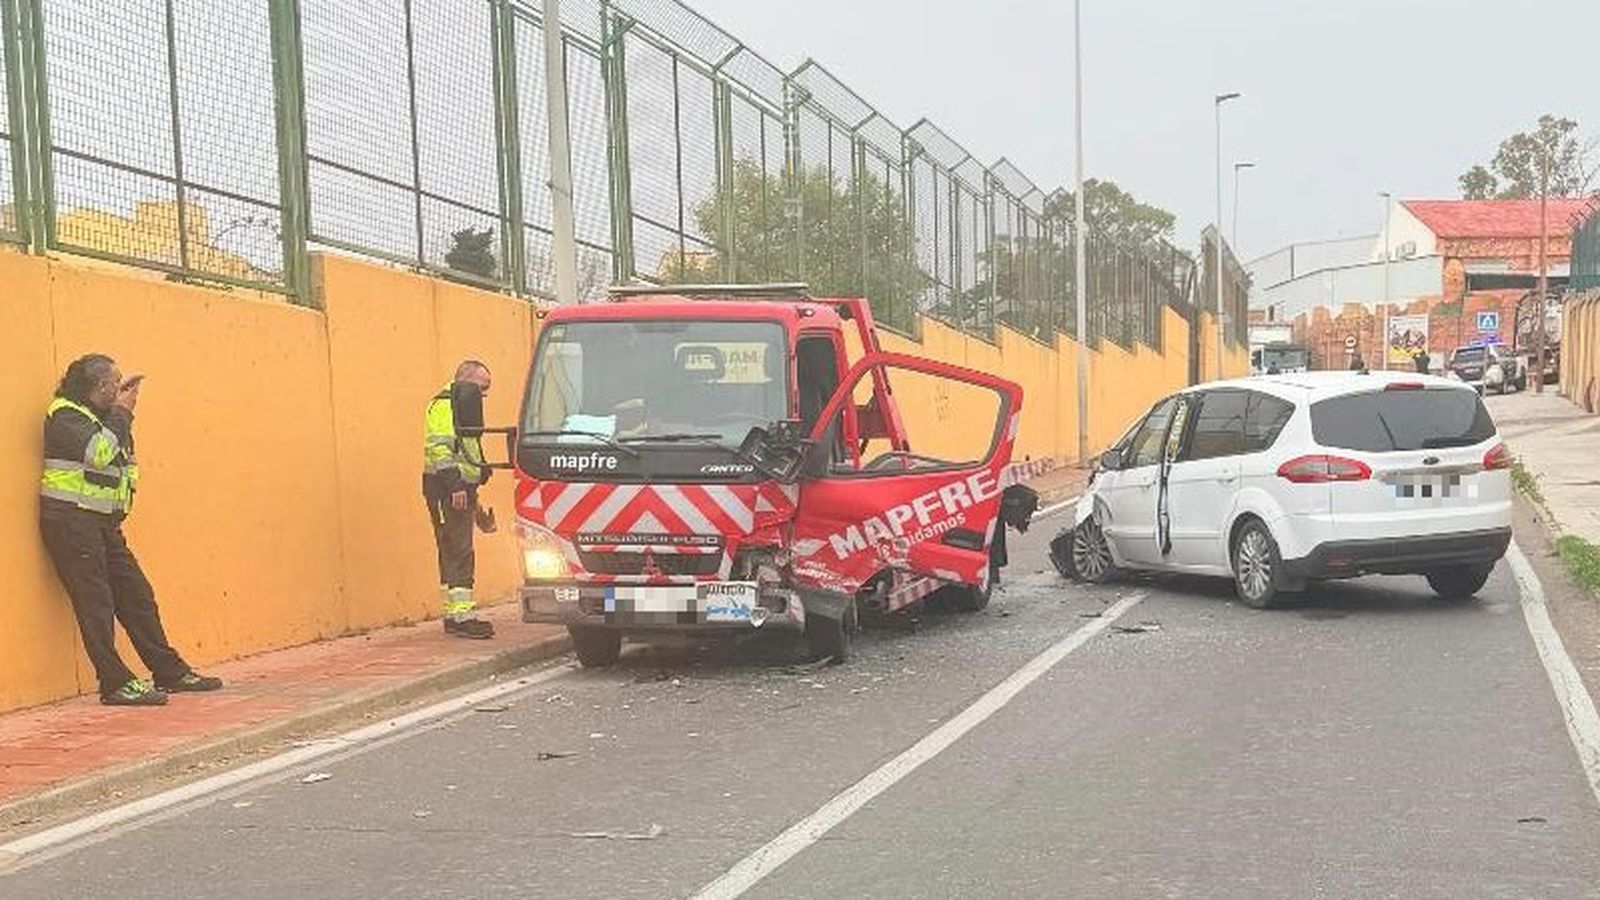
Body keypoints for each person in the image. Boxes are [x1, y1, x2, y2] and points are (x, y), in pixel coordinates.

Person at [39, 354, 223, 706]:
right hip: (71, 522)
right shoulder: (65, 415)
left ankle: (169, 670)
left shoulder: (102, 418)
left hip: (102, 522)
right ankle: (114, 682)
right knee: (96, 603)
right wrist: (124, 412)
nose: (120, 390)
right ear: (98, 386)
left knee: (137, 595)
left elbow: (125, 466)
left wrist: (119, 418)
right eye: (114, 383)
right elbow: (98, 454)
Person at [423, 360, 496, 639]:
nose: (484, 395)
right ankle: (462, 616)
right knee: (458, 549)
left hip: (459, 488)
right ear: (465, 381)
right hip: (446, 489)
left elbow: (466, 448)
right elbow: (440, 449)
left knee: (454, 547)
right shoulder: (445, 405)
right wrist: (455, 486)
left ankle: (454, 615)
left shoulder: (462, 406)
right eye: (482, 387)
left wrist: (480, 472)